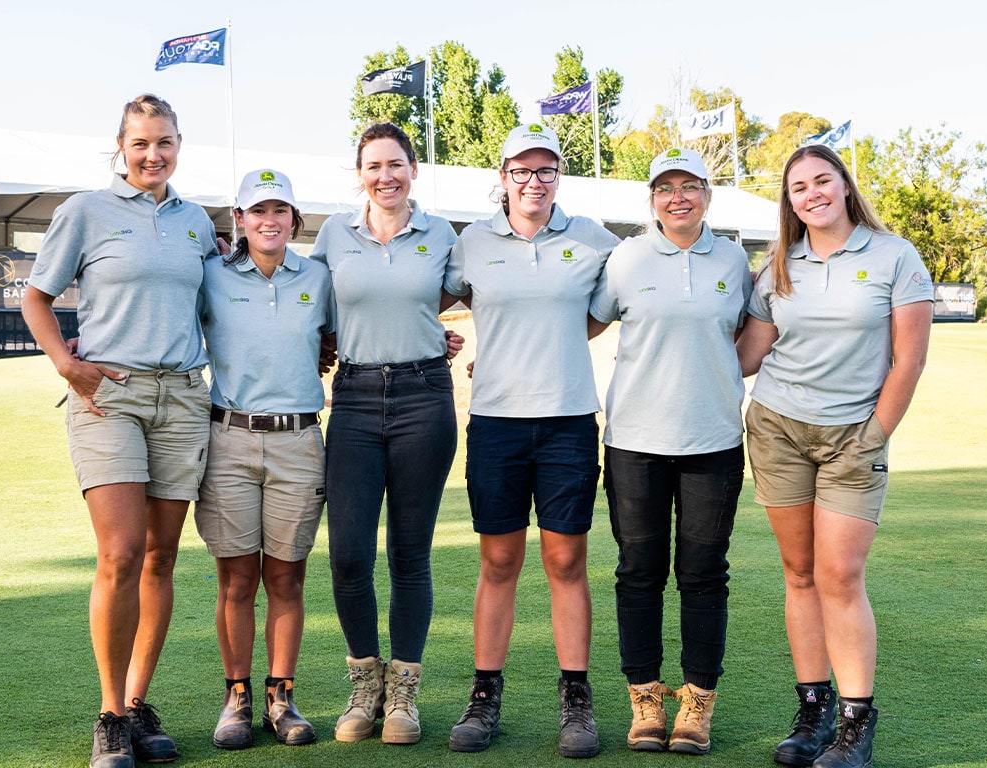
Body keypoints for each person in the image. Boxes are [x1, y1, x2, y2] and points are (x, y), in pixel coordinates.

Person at [22, 94, 215, 768]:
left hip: (185, 397)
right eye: (140, 144)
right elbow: (35, 297)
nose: (152, 155)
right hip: (111, 397)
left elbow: (219, 307)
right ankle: (108, 714)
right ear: (121, 147)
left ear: (179, 145)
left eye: (163, 142)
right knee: (121, 552)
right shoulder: (84, 211)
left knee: (162, 556)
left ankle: (138, 703)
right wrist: (66, 364)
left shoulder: (196, 223)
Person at [736, 144, 932, 768]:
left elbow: (910, 358)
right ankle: (813, 713)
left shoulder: (894, 256)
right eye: (799, 187)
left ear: (846, 187)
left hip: (854, 435)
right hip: (778, 429)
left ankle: (855, 725)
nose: (812, 193)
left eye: (823, 181)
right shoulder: (778, 268)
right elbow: (748, 355)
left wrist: (875, 433)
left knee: (840, 575)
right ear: (789, 202)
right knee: (799, 574)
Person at [444, 123, 619, 759]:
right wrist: (442, 342)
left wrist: (557, 343)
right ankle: (484, 698)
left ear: (557, 177)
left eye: (546, 170)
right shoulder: (472, 243)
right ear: (503, 177)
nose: (534, 181)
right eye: (522, 170)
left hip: (569, 421)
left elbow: (602, 311)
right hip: (495, 422)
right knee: (498, 562)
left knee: (566, 562)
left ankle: (576, 701)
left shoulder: (592, 238)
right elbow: (424, 301)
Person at [588, 148, 752, 755]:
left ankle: (697, 706)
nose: (677, 198)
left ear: (708, 194)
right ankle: (647, 703)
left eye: (690, 187)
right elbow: (584, 322)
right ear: (651, 199)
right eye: (665, 188)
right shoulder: (625, 258)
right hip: (634, 442)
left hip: (713, 440)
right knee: (638, 573)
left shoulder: (734, 260)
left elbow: (752, 330)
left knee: (704, 574)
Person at [309, 122, 460, 746]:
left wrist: (444, 341)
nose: (386, 177)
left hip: (425, 398)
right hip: (355, 399)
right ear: (360, 173)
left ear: (414, 169)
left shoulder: (443, 234)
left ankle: (403, 695)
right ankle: (364, 684)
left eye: (396, 164)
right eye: (374, 166)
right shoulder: (332, 236)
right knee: (347, 553)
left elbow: (489, 296)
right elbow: (307, 304)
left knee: (408, 554)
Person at [197, 169, 333, 750]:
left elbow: (344, 336)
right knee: (235, 579)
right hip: (228, 438)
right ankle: (237, 696)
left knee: (286, 576)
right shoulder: (211, 276)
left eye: (280, 211)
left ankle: (281, 696)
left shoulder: (320, 277)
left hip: (299, 441)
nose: (269, 221)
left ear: (295, 221)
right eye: (258, 211)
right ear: (240, 220)